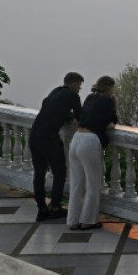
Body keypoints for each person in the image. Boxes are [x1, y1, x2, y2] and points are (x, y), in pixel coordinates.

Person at [67, 75, 118, 230]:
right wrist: (115, 105)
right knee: (92, 184)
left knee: (76, 184)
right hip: (90, 140)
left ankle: (73, 220)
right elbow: (111, 122)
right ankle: (88, 220)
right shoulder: (109, 101)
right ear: (110, 88)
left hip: (76, 138)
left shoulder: (90, 97)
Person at [30, 71, 83, 221]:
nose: (79, 89)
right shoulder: (73, 96)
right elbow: (81, 116)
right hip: (49, 137)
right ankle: (55, 207)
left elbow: (48, 106)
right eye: (79, 86)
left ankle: (41, 208)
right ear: (73, 84)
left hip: (35, 135)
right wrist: (72, 117)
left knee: (39, 173)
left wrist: (66, 116)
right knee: (60, 171)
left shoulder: (55, 92)